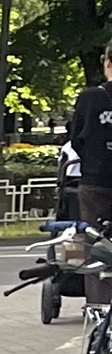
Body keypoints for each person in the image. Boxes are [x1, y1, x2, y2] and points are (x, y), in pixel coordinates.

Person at [70, 51, 112, 231]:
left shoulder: (90, 98)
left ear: (108, 63)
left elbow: (76, 140)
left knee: (94, 240)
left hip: (97, 178)